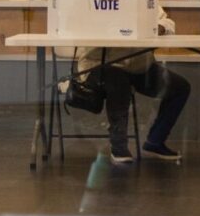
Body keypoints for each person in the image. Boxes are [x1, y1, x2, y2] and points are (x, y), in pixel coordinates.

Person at [79, 16, 190, 165]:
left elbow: (168, 22)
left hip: (139, 66)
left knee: (180, 88)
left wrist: (159, 27)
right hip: (102, 65)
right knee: (119, 83)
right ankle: (119, 146)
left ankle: (155, 141)